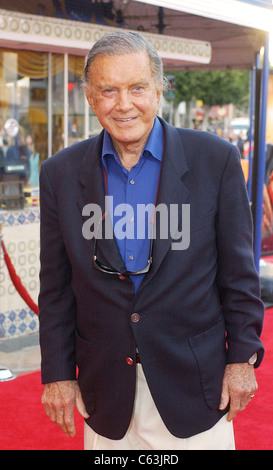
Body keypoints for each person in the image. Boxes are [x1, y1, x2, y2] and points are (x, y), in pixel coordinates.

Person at [39, 31, 264, 450]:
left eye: (137, 87)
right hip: (105, 389)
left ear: (159, 89)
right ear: (90, 97)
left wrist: (242, 360)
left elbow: (239, 274)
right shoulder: (60, 174)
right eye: (108, 90)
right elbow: (55, 287)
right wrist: (57, 372)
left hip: (195, 383)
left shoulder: (216, 160)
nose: (123, 104)